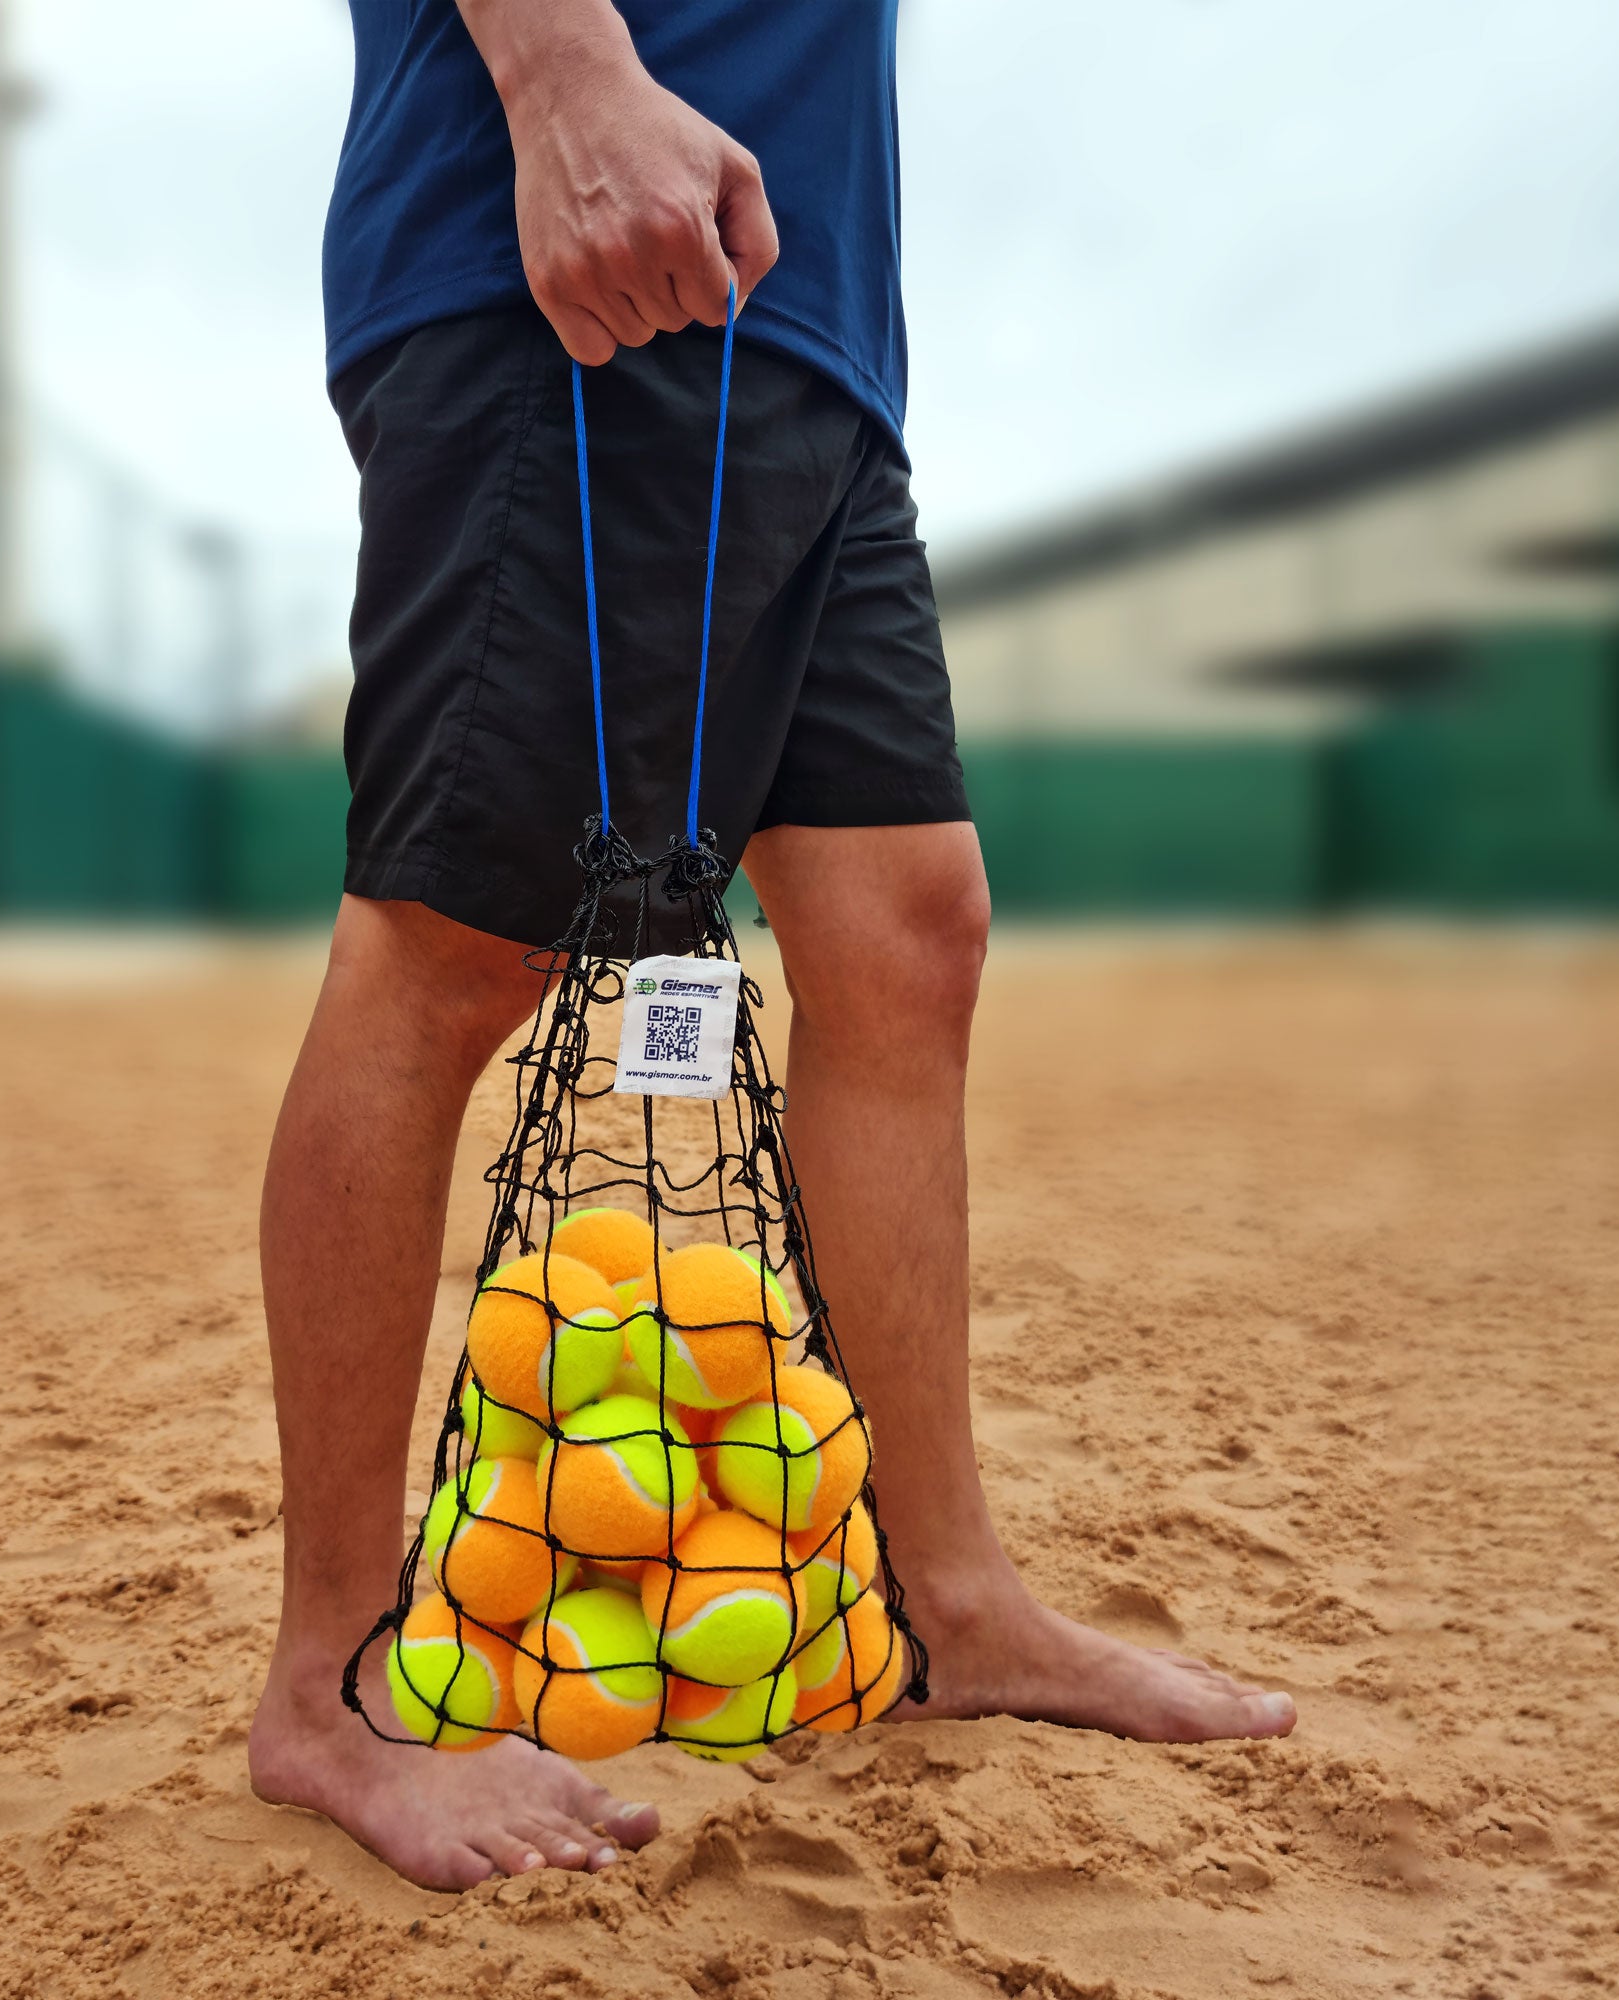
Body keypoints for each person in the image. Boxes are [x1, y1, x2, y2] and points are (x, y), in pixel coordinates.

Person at [248, 0, 1296, 1893]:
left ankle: (949, 1596)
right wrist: (563, 76)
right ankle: (331, 1687)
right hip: (568, 263)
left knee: (910, 931)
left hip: (803, 327)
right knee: (454, 949)